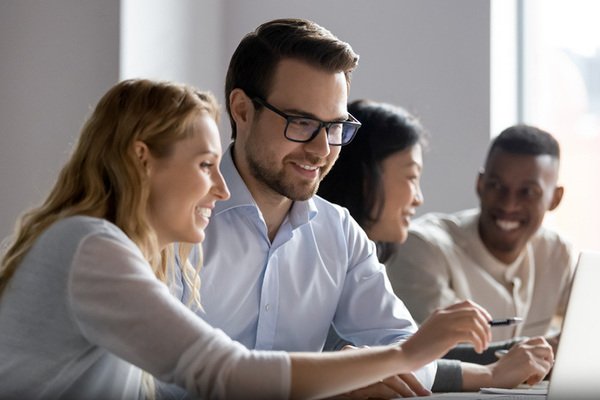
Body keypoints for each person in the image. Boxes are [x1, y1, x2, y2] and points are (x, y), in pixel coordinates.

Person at [0, 79, 495, 399]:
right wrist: (404, 355)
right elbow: (225, 373)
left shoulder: (106, 247)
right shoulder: (90, 246)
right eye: (204, 166)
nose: (220, 188)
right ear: (141, 159)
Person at [167, 17, 512, 399]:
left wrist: (367, 365)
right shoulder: (175, 222)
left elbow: (410, 350)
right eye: (301, 123)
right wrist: (336, 381)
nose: (321, 150)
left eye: (335, 128)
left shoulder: (339, 232)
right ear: (243, 110)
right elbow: (168, 381)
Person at [318, 99, 554, 393]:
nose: (419, 198)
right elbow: (398, 359)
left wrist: (522, 353)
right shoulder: (321, 256)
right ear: (367, 179)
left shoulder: (362, 258)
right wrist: (491, 374)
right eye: (412, 178)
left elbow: (407, 356)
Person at [386, 124, 577, 345]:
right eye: (496, 186)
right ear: (480, 184)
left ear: (555, 198)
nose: (509, 204)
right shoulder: (422, 247)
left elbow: (587, 328)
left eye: (528, 192)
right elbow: (440, 354)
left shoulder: (556, 252)